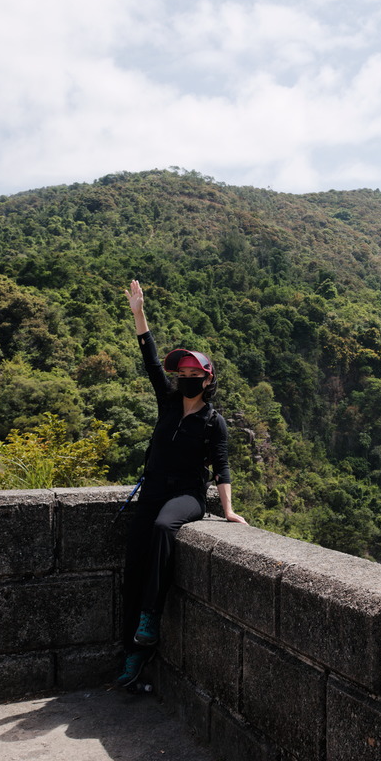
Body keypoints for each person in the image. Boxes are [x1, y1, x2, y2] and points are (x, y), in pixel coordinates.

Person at [117, 279, 247, 689]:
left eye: (195, 374)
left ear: (208, 380)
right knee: (133, 568)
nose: (187, 378)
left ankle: (150, 618)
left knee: (163, 528)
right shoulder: (168, 404)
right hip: (153, 488)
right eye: (183, 373)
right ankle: (132, 654)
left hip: (187, 495)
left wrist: (228, 510)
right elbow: (150, 360)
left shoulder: (213, 421)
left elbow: (221, 466)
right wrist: (139, 314)